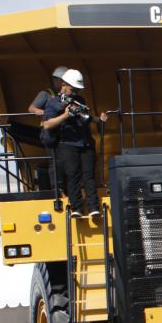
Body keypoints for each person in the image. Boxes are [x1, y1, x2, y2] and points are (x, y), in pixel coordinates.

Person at [41, 69, 108, 217]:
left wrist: (98, 120)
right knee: (73, 176)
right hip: (67, 144)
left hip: (85, 143)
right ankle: (77, 208)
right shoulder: (53, 103)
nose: (75, 91)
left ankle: (93, 208)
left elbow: (86, 117)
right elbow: (47, 124)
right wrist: (66, 115)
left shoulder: (80, 100)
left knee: (89, 176)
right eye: (73, 88)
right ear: (64, 85)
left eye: (77, 89)